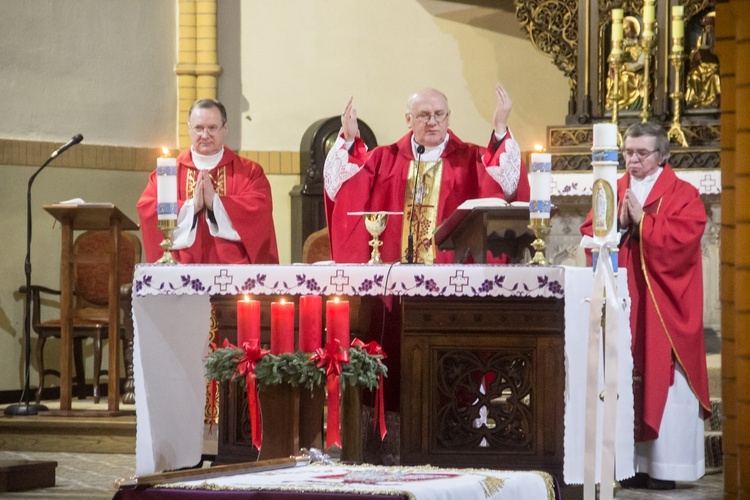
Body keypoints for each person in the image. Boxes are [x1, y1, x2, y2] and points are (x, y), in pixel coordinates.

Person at [580, 122, 711, 490]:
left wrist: (645, 223)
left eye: (642, 153)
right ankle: (629, 465)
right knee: (624, 376)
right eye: (628, 153)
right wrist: (617, 226)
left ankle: (666, 466)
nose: (633, 160)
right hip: (625, 300)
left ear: (662, 155)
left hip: (664, 305)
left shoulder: (683, 193)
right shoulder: (612, 188)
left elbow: (686, 238)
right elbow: (590, 233)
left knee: (663, 376)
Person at [323, 84, 530, 264]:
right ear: (408, 119)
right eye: (423, 115)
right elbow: (343, 188)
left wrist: (500, 128)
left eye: (439, 114)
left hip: (454, 277)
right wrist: (349, 141)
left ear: (448, 117)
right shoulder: (383, 159)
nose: (433, 121)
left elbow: (509, 184)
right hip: (393, 274)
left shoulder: (474, 159)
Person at [137, 98, 279, 264]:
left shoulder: (250, 173)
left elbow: (259, 212)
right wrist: (191, 207)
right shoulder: (166, 174)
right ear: (189, 129)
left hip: (233, 273)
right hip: (181, 270)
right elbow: (147, 208)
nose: (205, 135)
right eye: (198, 128)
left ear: (224, 129)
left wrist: (216, 203)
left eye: (212, 128)